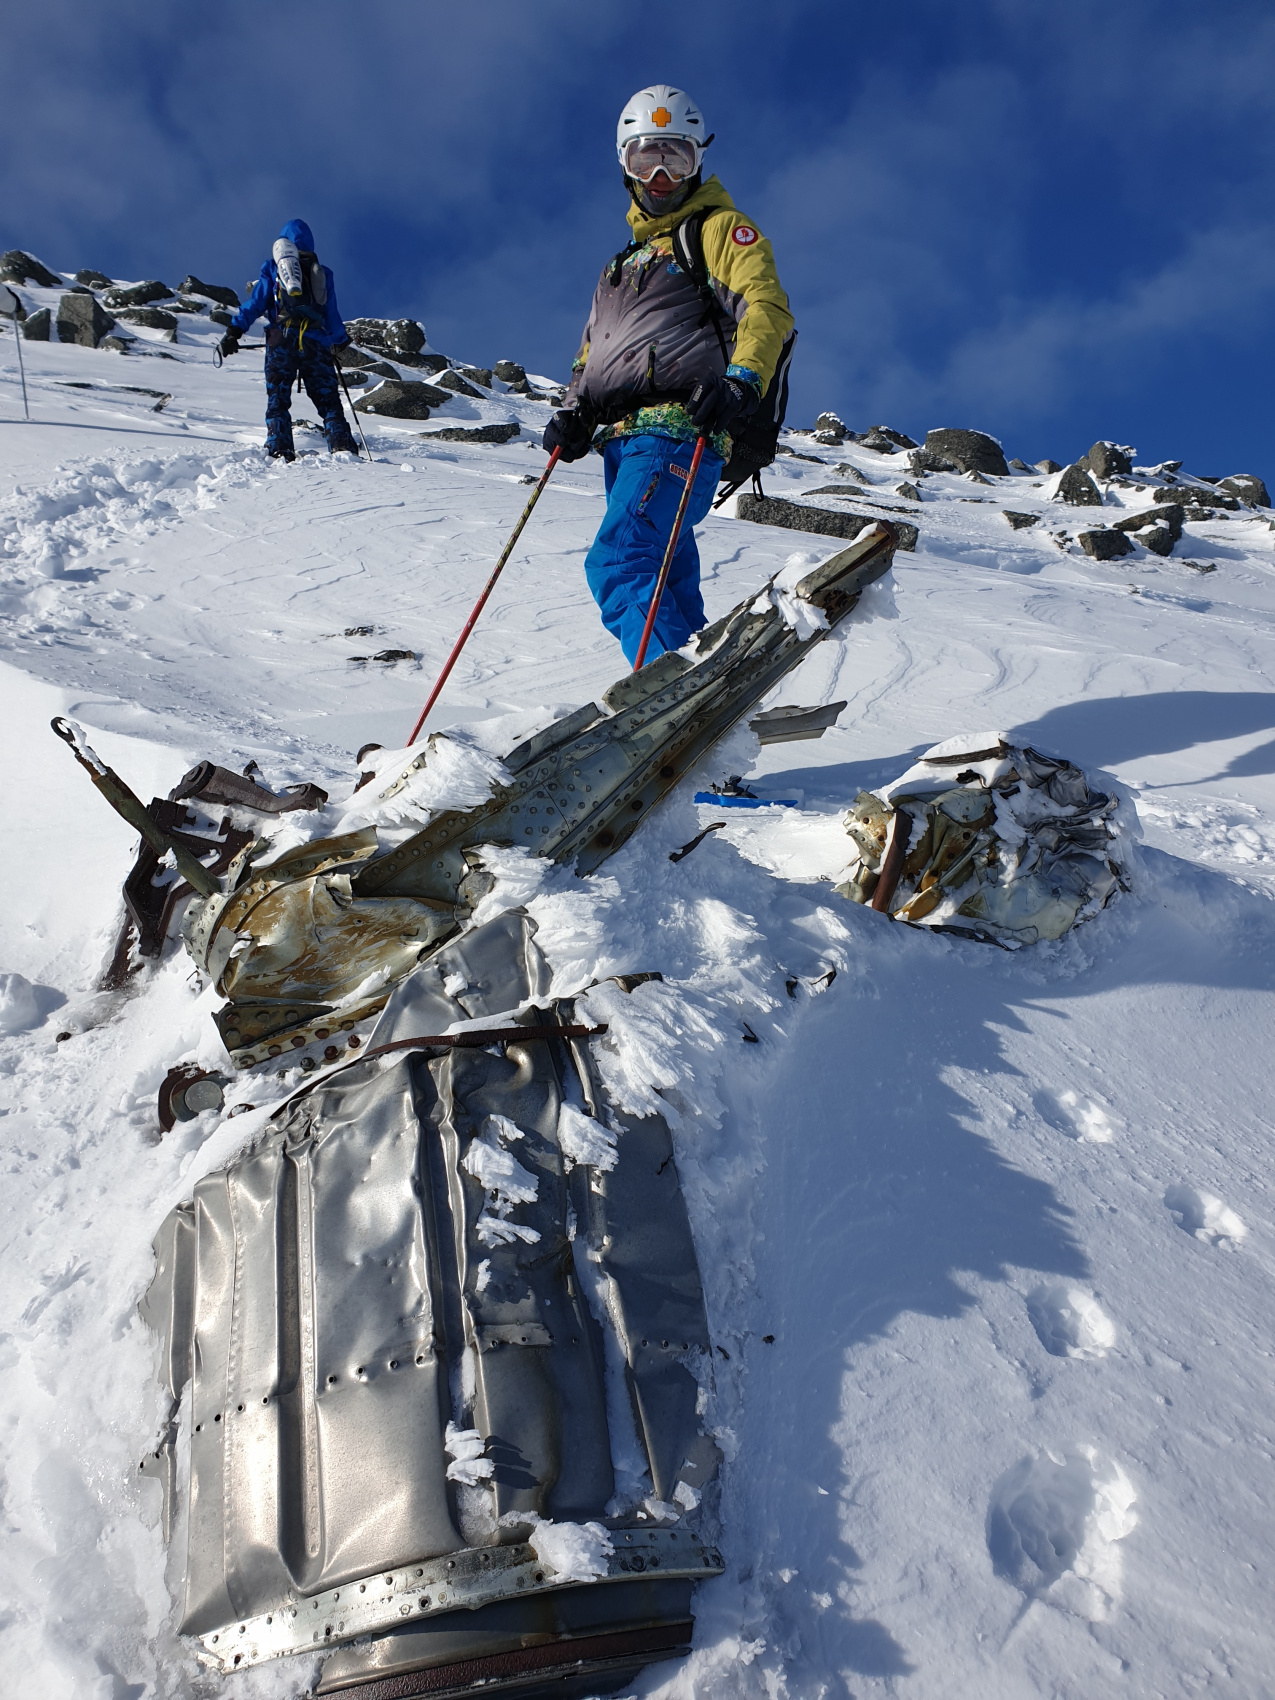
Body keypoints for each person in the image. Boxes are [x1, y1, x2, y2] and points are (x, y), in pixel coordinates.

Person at [545, 85, 794, 665]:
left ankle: (668, 695)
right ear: (624, 165)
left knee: (619, 562)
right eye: (645, 158)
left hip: (679, 428)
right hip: (621, 440)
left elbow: (766, 307)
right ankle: (704, 688)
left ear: (697, 160)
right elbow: (593, 353)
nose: (660, 174)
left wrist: (740, 380)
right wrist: (575, 410)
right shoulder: (620, 266)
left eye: (675, 157)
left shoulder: (718, 230)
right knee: (665, 575)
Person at [217, 219, 359, 461]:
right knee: (329, 403)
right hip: (316, 345)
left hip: (281, 341)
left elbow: (254, 305)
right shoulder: (321, 273)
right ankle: (342, 447)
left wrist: (234, 332)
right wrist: (340, 340)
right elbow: (331, 314)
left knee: (278, 399)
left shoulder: (274, 269)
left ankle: (279, 448)